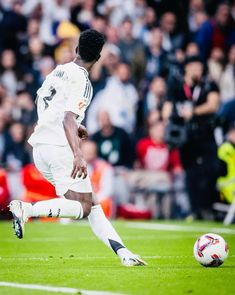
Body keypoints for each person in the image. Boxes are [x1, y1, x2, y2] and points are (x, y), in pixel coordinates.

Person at [9, 29, 146, 267]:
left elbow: (43, 103)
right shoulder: (83, 80)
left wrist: (76, 126)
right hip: (59, 147)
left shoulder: (57, 71)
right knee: (83, 206)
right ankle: (27, 209)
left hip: (41, 147)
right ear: (99, 57)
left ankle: (123, 253)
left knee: (89, 203)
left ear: (76, 49)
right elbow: (67, 119)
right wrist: (78, 153)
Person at [163, 55, 220, 219]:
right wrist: (169, 117)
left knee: (209, 171)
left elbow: (213, 104)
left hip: (206, 135)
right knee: (190, 174)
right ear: (186, 68)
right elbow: (167, 106)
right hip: (186, 138)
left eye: (199, 67)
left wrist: (193, 112)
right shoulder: (177, 86)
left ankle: (208, 208)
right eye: (193, 66)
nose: (197, 70)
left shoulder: (209, 84)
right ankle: (195, 210)